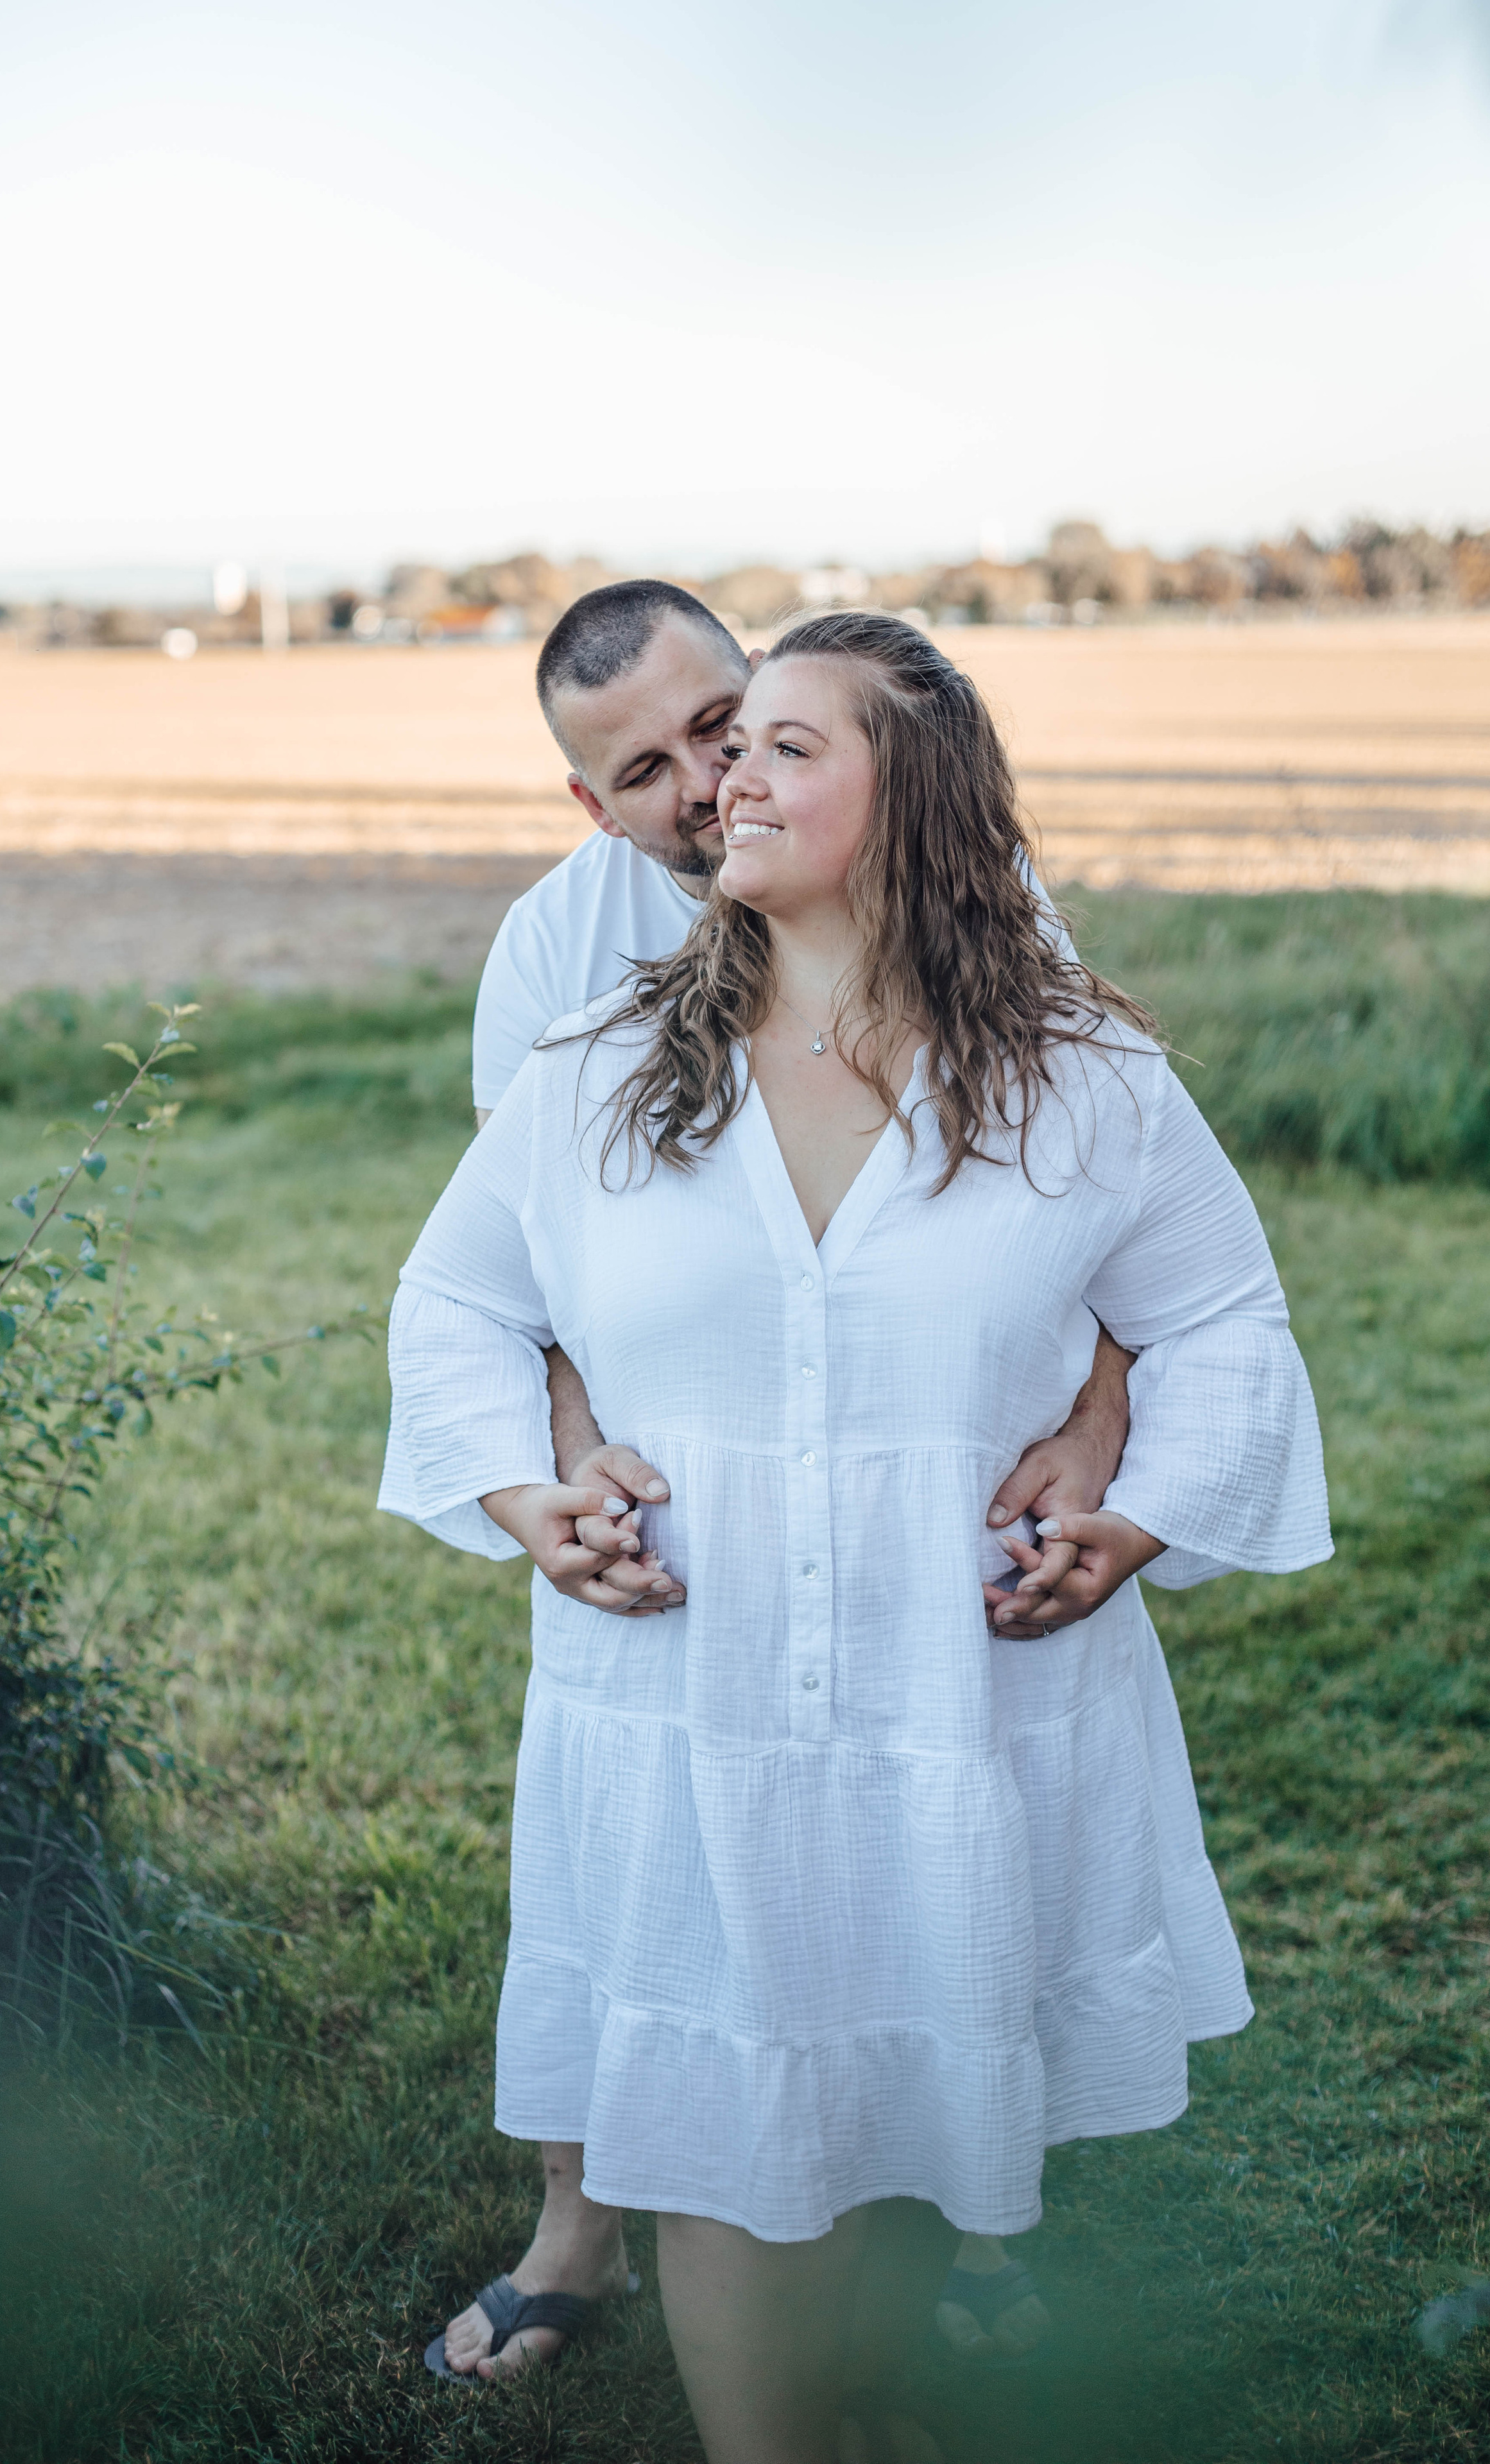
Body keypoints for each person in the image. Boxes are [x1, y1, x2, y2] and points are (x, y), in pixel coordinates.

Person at [382, 610, 1331, 2460]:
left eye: (772, 745)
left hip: (954, 1699)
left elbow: (1222, 1319)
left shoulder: (1081, 1076)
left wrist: (1128, 1507)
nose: (722, 783)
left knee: (914, 2085)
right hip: (680, 1691)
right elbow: (466, 1307)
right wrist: (530, 1488)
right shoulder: (591, 1059)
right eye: (689, 767)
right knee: (720, 2110)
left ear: (921, 802)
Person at [447, 580, 1133, 2374]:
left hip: (928, 1469)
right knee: (642, 1848)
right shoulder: (553, 954)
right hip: (687, 1487)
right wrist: (572, 1462)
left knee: (940, 1809)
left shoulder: (965, 895)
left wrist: (1103, 1421)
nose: (699, 782)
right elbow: (533, 1267)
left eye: (721, 726)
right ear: (589, 808)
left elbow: (1111, 1205)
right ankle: (582, 2218)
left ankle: (959, 2209)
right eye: (643, 768)